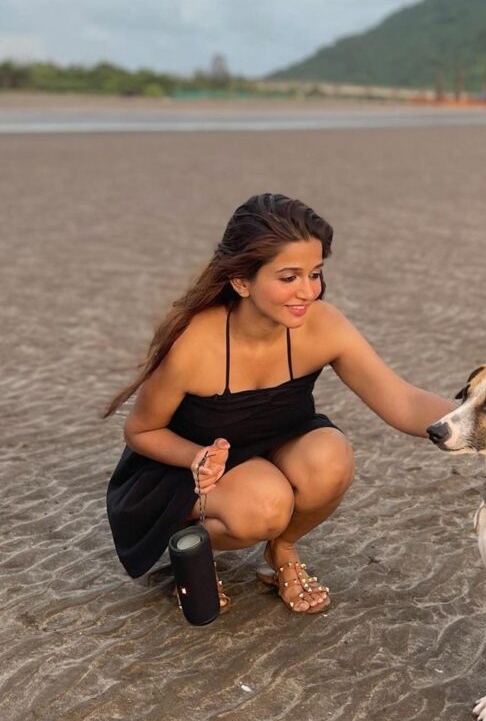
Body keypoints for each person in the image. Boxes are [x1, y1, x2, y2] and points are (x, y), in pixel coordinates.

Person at [105, 193, 453, 614]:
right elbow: (141, 430)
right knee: (265, 505)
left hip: (273, 446)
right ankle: (188, 549)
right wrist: (196, 458)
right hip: (184, 471)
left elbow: (401, 400)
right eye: (289, 278)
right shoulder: (196, 344)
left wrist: (479, 424)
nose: (307, 292)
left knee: (331, 457)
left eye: (315, 274)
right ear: (241, 281)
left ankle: (282, 550)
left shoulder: (323, 325)